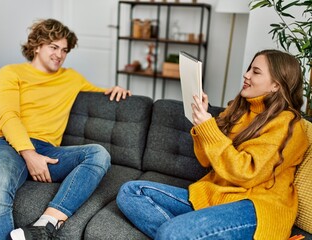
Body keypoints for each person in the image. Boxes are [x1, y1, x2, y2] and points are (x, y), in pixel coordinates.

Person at [116, 49, 308, 240]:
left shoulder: (288, 123)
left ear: (276, 85)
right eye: (249, 69)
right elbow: (206, 160)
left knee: (172, 232)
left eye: (256, 72)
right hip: (214, 197)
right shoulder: (239, 109)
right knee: (130, 192)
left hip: (256, 206)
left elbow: (246, 173)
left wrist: (209, 127)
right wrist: (201, 125)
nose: (246, 75)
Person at [0, 18, 131, 240]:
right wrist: (29, 155)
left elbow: (100, 93)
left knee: (98, 154)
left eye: (65, 50)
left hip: (48, 151)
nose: (59, 54)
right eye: (54, 47)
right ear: (37, 46)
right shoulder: (10, 73)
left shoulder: (72, 78)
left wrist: (115, 89)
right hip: (7, 145)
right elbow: (9, 116)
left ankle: (45, 226)